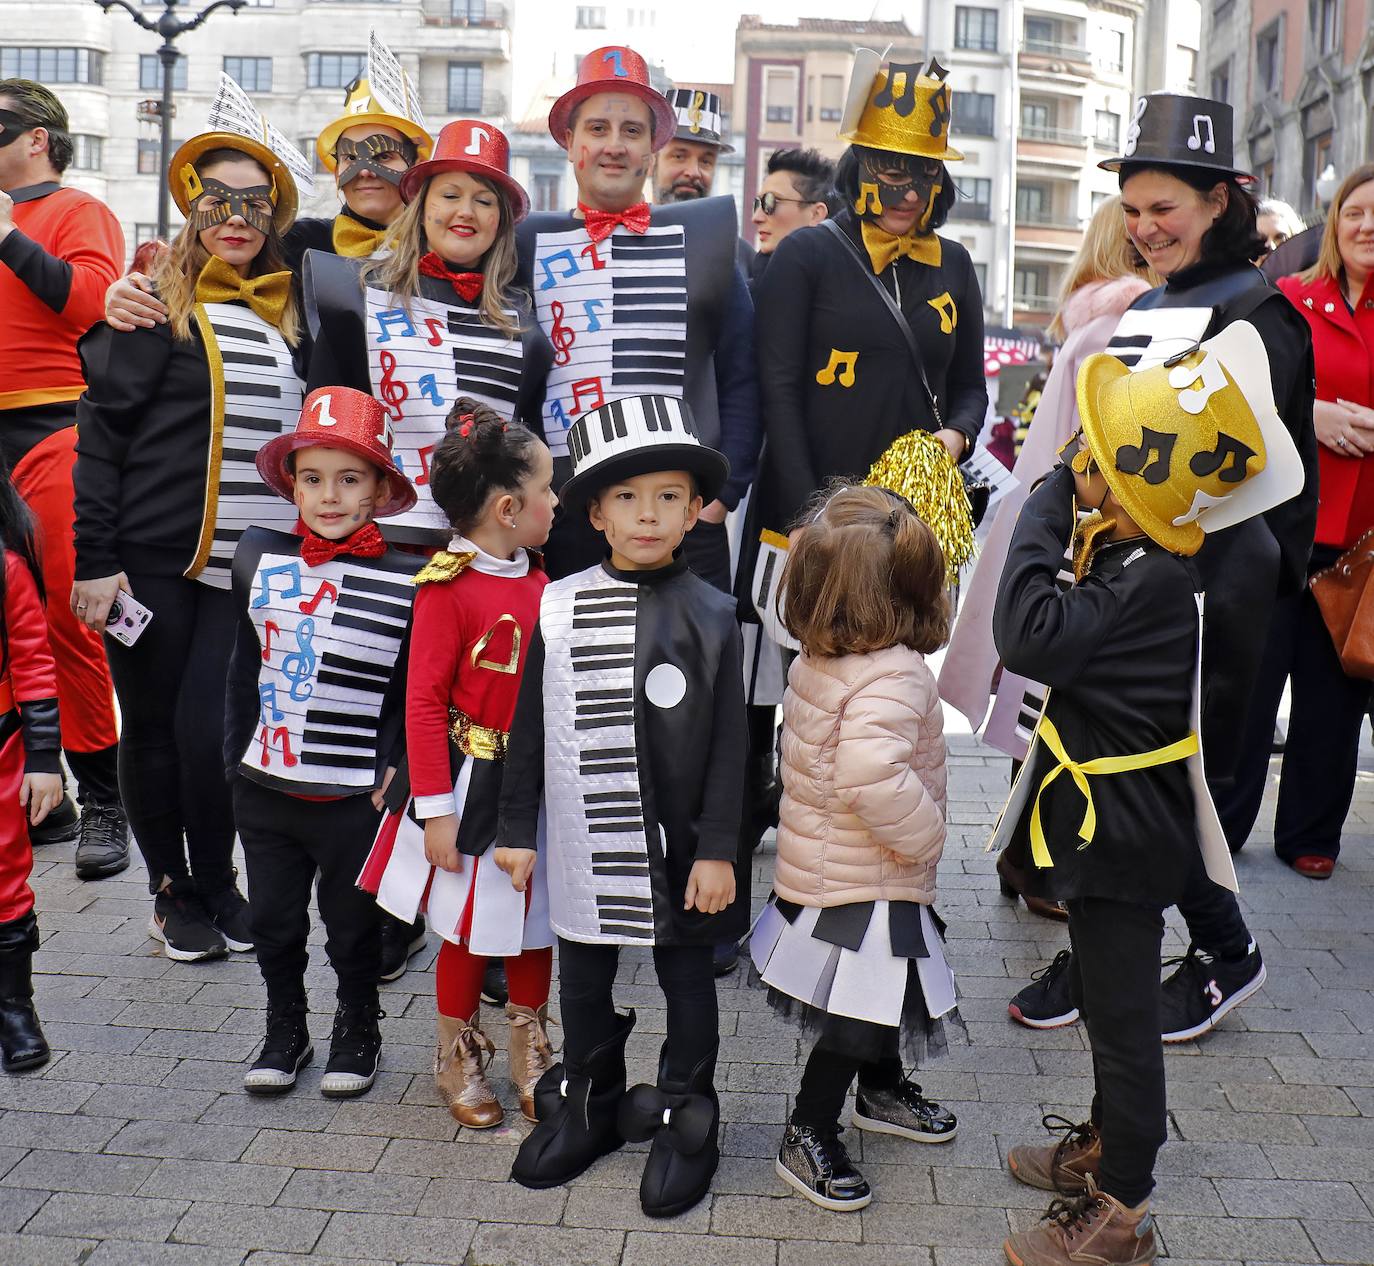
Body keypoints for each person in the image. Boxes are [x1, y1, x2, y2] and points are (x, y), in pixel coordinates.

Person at [1004, 93, 1318, 1041]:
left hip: (1215, 601)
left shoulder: (1262, 315)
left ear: (1220, 201)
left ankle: (1221, 956)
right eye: (1132, 210)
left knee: (1180, 788)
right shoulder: (1155, 301)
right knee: (1114, 773)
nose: (1143, 229)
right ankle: (1111, 952)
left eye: (1164, 210)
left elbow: (1232, 484)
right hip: (1133, 594)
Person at [991, 322, 1302, 1266]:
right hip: (1111, 832)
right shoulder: (1141, 564)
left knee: (1124, 1025)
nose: (1071, 462)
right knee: (1106, 1006)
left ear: (1121, 493)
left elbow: (1027, 631)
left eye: (1085, 457)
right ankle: (1103, 1146)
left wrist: (1043, 501)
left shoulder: (1153, 581)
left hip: (1121, 842)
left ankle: (1124, 1206)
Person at [309, 117, 545, 991]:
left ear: (503, 221)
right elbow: (327, 412)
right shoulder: (351, 292)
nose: (467, 209)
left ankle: (472, 917)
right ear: (419, 201)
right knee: (381, 741)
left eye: (485, 199)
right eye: (451, 192)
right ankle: (376, 920)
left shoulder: (522, 320)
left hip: (472, 564)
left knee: (473, 729)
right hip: (382, 551)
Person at [499, 393, 746, 1218]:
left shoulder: (714, 614)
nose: (650, 514)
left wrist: (719, 848)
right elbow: (525, 726)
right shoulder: (556, 604)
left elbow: (729, 749)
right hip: (581, 836)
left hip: (679, 851)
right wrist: (514, 825)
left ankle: (686, 1117)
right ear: (596, 512)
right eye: (629, 497)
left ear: (694, 509)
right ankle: (594, 1105)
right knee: (584, 977)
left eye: (669, 496)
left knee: (687, 978)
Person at [71, 118, 306, 962]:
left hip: (247, 565)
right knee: (158, 729)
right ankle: (172, 891)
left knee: (218, 731)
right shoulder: (152, 306)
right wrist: (96, 561)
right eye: (219, 202)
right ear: (190, 209)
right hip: (153, 562)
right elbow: (99, 439)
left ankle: (218, 878)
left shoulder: (289, 311)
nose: (237, 218)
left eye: (255, 203)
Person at [939, 196, 1156, 920]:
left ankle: (1021, 858)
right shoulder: (1126, 321)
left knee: (1032, 694)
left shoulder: (1083, 318)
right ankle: (1037, 865)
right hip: (1088, 531)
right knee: (1058, 706)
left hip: (1045, 527)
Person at [749, 484, 959, 1212]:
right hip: (868, 880)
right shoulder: (894, 672)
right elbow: (872, 778)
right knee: (861, 1010)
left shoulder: (824, 653)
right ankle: (810, 1127)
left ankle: (881, 1089)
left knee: (886, 992)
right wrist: (929, 833)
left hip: (833, 869)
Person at [358, 398, 558, 1127]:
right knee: (469, 927)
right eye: (547, 489)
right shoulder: (445, 588)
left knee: (534, 920)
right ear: (509, 507)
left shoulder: (545, 587)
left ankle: (532, 1052)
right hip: (468, 787)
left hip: (532, 787)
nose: (556, 501)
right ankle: (455, 1059)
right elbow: (420, 703)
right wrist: (436, 812)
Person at [225, 386, 420, 1098]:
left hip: (351, 798)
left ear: (379, 488)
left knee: (352, 928)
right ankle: (286, 1027)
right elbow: (241, 672)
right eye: (313, 478)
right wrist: (233, 767)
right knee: (274, 921)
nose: (328, 496)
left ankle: (358, 1025)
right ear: (292, 484)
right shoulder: (256, 555)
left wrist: (395, 774)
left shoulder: (410, 579)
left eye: (349, 478)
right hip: (266, 788)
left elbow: (411, 692)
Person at [515, 45, 760, 592]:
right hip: (566, 516)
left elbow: (743, 373)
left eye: (631, 130)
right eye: (598, 127)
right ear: (571, 143)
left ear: (652, 148)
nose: (614, 145)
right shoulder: (524, 243)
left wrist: (722, 498)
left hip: (684, 516)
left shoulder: (706, 239)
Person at [1220, 164, 1374, 878]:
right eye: (1356, 213)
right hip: (1281, 529)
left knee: (1332, 698)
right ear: (1334, 224)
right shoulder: (1287, 300)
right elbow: (1241, 393)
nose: (1367, 227)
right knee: (1247, 689)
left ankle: (1311, 834)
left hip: (1361, 543)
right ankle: (1218, 825)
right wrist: (1310, 415)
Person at [0, 78, 126, 875]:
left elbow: (89, 303)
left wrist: (6, 237)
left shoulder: (79, 211)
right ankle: (37, 795)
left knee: (68, 614)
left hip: (50, 422)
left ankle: (105, 801)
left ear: (38, 136)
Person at [104, 45, 432, 332]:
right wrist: (127, 290)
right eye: (349, 157)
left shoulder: (444, 249)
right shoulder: (294, 243)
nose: (365, 171)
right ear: (336, 171)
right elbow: (199, 268)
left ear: (416, 165)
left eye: (384, 156)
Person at [0, 453, 62, 1072]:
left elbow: (34, 664)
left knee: (4, 878)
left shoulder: (8, 567)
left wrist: (44, 756)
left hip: (2, 751)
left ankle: (15, 1005)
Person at [748, 147, 834, 286]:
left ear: (816, 214)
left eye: (770, 202)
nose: (756, 218)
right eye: (757, 204)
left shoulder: (842, 292)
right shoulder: (744, 297)